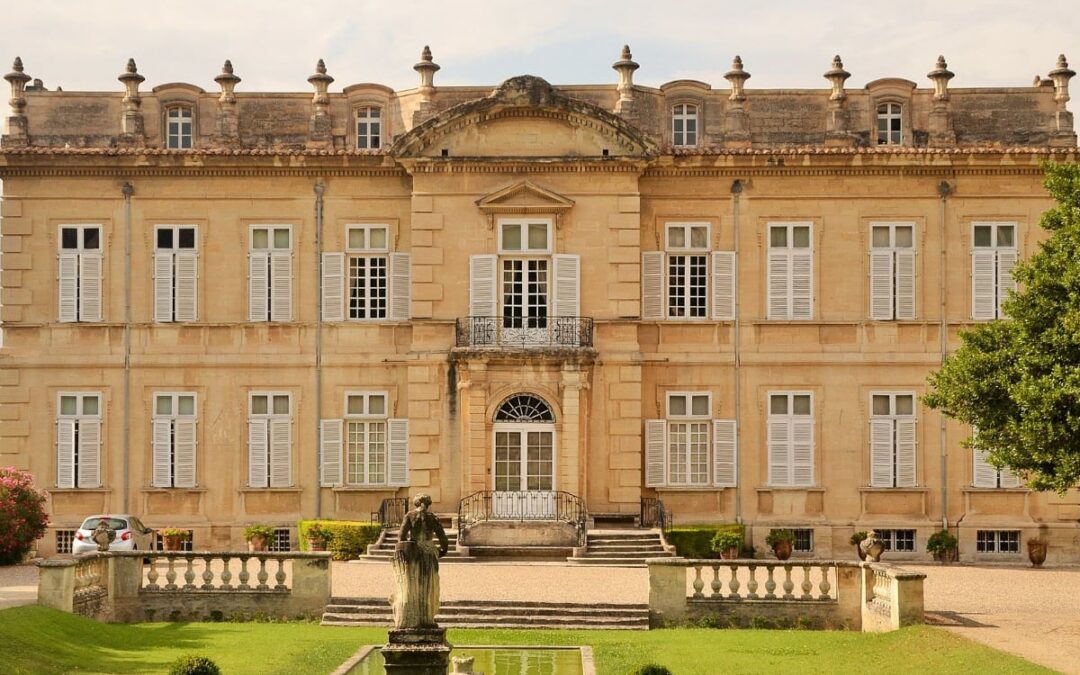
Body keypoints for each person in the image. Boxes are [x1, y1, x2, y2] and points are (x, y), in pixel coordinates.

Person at [390, 493, 449, 629]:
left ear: (416, 503)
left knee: (413, 586)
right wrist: (443, 550)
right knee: (428, 586)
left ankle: (414, 616)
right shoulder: (432, 517)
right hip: (429, 552)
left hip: (414, 553)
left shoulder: (410, 515)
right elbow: (442, 537)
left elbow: (401, 537)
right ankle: (427, 618)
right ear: (428, 504)